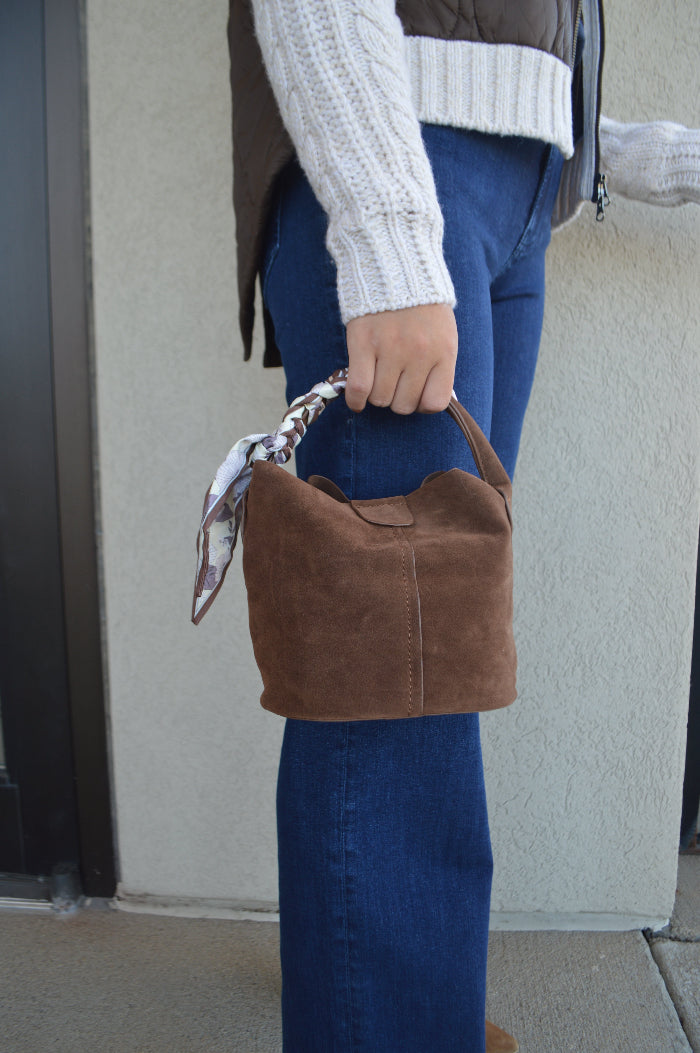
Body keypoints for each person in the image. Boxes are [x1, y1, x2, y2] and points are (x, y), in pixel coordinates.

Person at [222, 2, 700, 1050]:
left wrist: (620, 152)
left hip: (502, 195)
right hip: (407, 179)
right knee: (390, 670)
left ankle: (390, 1005)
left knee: (433, 649)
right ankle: (387, 1025)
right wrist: (389, 242)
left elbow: (501, 51)